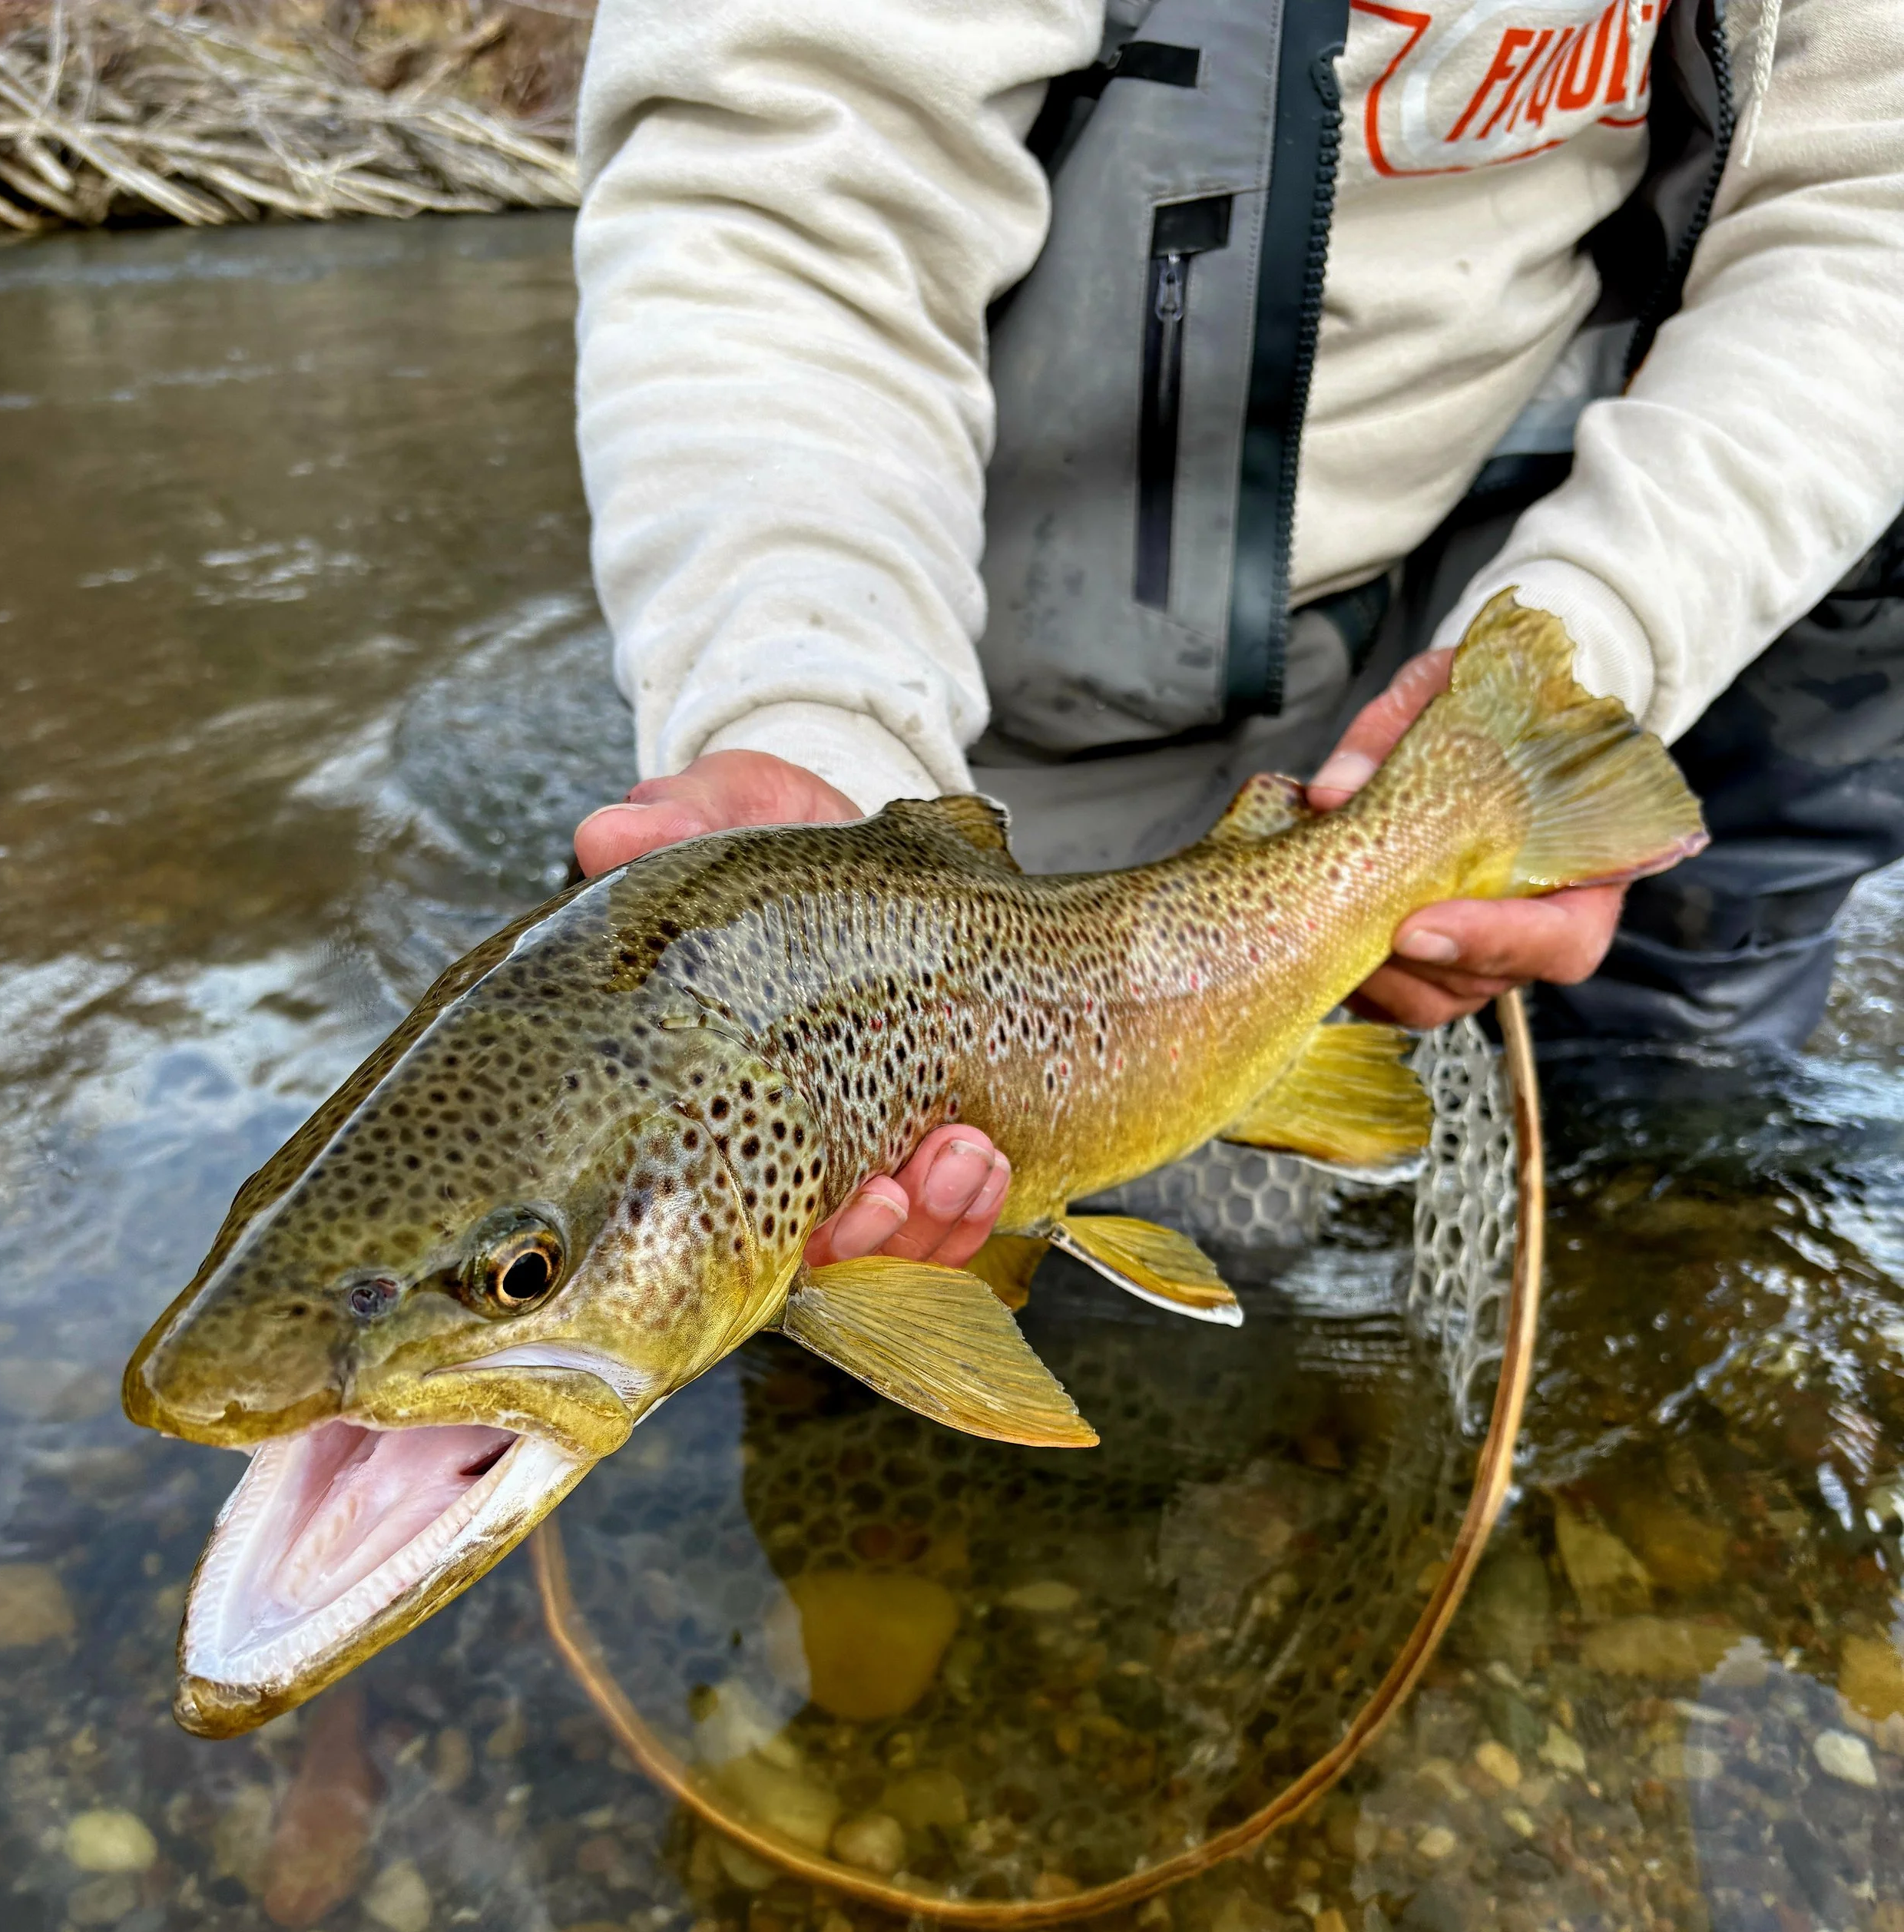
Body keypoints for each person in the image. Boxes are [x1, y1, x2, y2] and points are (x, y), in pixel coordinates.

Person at [568, 0, 1904, 1271]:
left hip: (1580, 519)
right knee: (951, 1213)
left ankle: (1652, 1205)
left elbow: (1864, 199)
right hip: (994, 619)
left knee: (1675, 1134)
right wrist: (807, 706)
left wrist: (1615, 627)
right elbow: (792, 188)